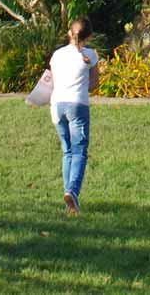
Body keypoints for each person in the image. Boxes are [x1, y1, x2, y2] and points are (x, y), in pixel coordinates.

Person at [48, 17, 99, 216]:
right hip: (78, 104)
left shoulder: (57, 55)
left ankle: (67, 193)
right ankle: (72, 192)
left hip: (58, 104)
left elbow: (52, 81)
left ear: (70, 32)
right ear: (90, 36)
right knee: (79, 151)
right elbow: (94, 83)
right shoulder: (90, 55)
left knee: (67, 150)